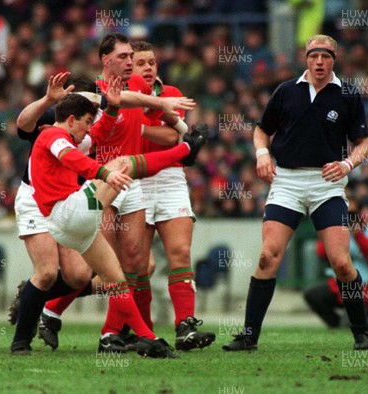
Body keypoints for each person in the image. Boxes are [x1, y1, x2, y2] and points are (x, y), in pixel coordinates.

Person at [9, 71, 193, 353]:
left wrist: (114, 109)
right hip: (55, 207)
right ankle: (186, 151)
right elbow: (69, 156)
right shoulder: (52, 133)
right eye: (89, 115)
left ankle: (149, 339)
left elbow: (98, 135)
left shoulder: (79, 132)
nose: (93, 120)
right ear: (73, 115)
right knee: (122, 165)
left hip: (71, 215)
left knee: (106, 278)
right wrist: (105, 173)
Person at [222, 34, 368, 351]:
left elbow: (364, 143)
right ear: (305, 57)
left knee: (342, 263)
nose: (320, 61)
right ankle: (249, 336)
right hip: (287, 182)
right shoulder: (286, 91)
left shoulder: (347, 94)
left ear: (335, 58)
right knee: (267, 257)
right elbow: (262, 129)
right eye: (314, 55)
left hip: (326, 184)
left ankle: (361, 331)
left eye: (326, 56)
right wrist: (262, 155)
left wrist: (348, 164)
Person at [131, 40, 216, 351]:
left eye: (152, 62)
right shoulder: (124, 96)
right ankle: (144, 331)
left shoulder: (171, 94)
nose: (149, 67)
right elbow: (167, 133)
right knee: (139, 264)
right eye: (141, 63)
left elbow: (174, 137)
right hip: (135, 178)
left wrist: (138, 129)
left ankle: (185, 327)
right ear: (130, 67)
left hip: (170, 177)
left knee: (180, 252)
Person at [304, 197, 368, 328]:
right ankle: (335, 324)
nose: (349, 218)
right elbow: (321, 252)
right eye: (346, 214)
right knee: (313, 296)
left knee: (349, 323)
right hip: (338, 285)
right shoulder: (338, 231)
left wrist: (358, 233)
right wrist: (331, 231)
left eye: (352, 214)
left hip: (364, 286)